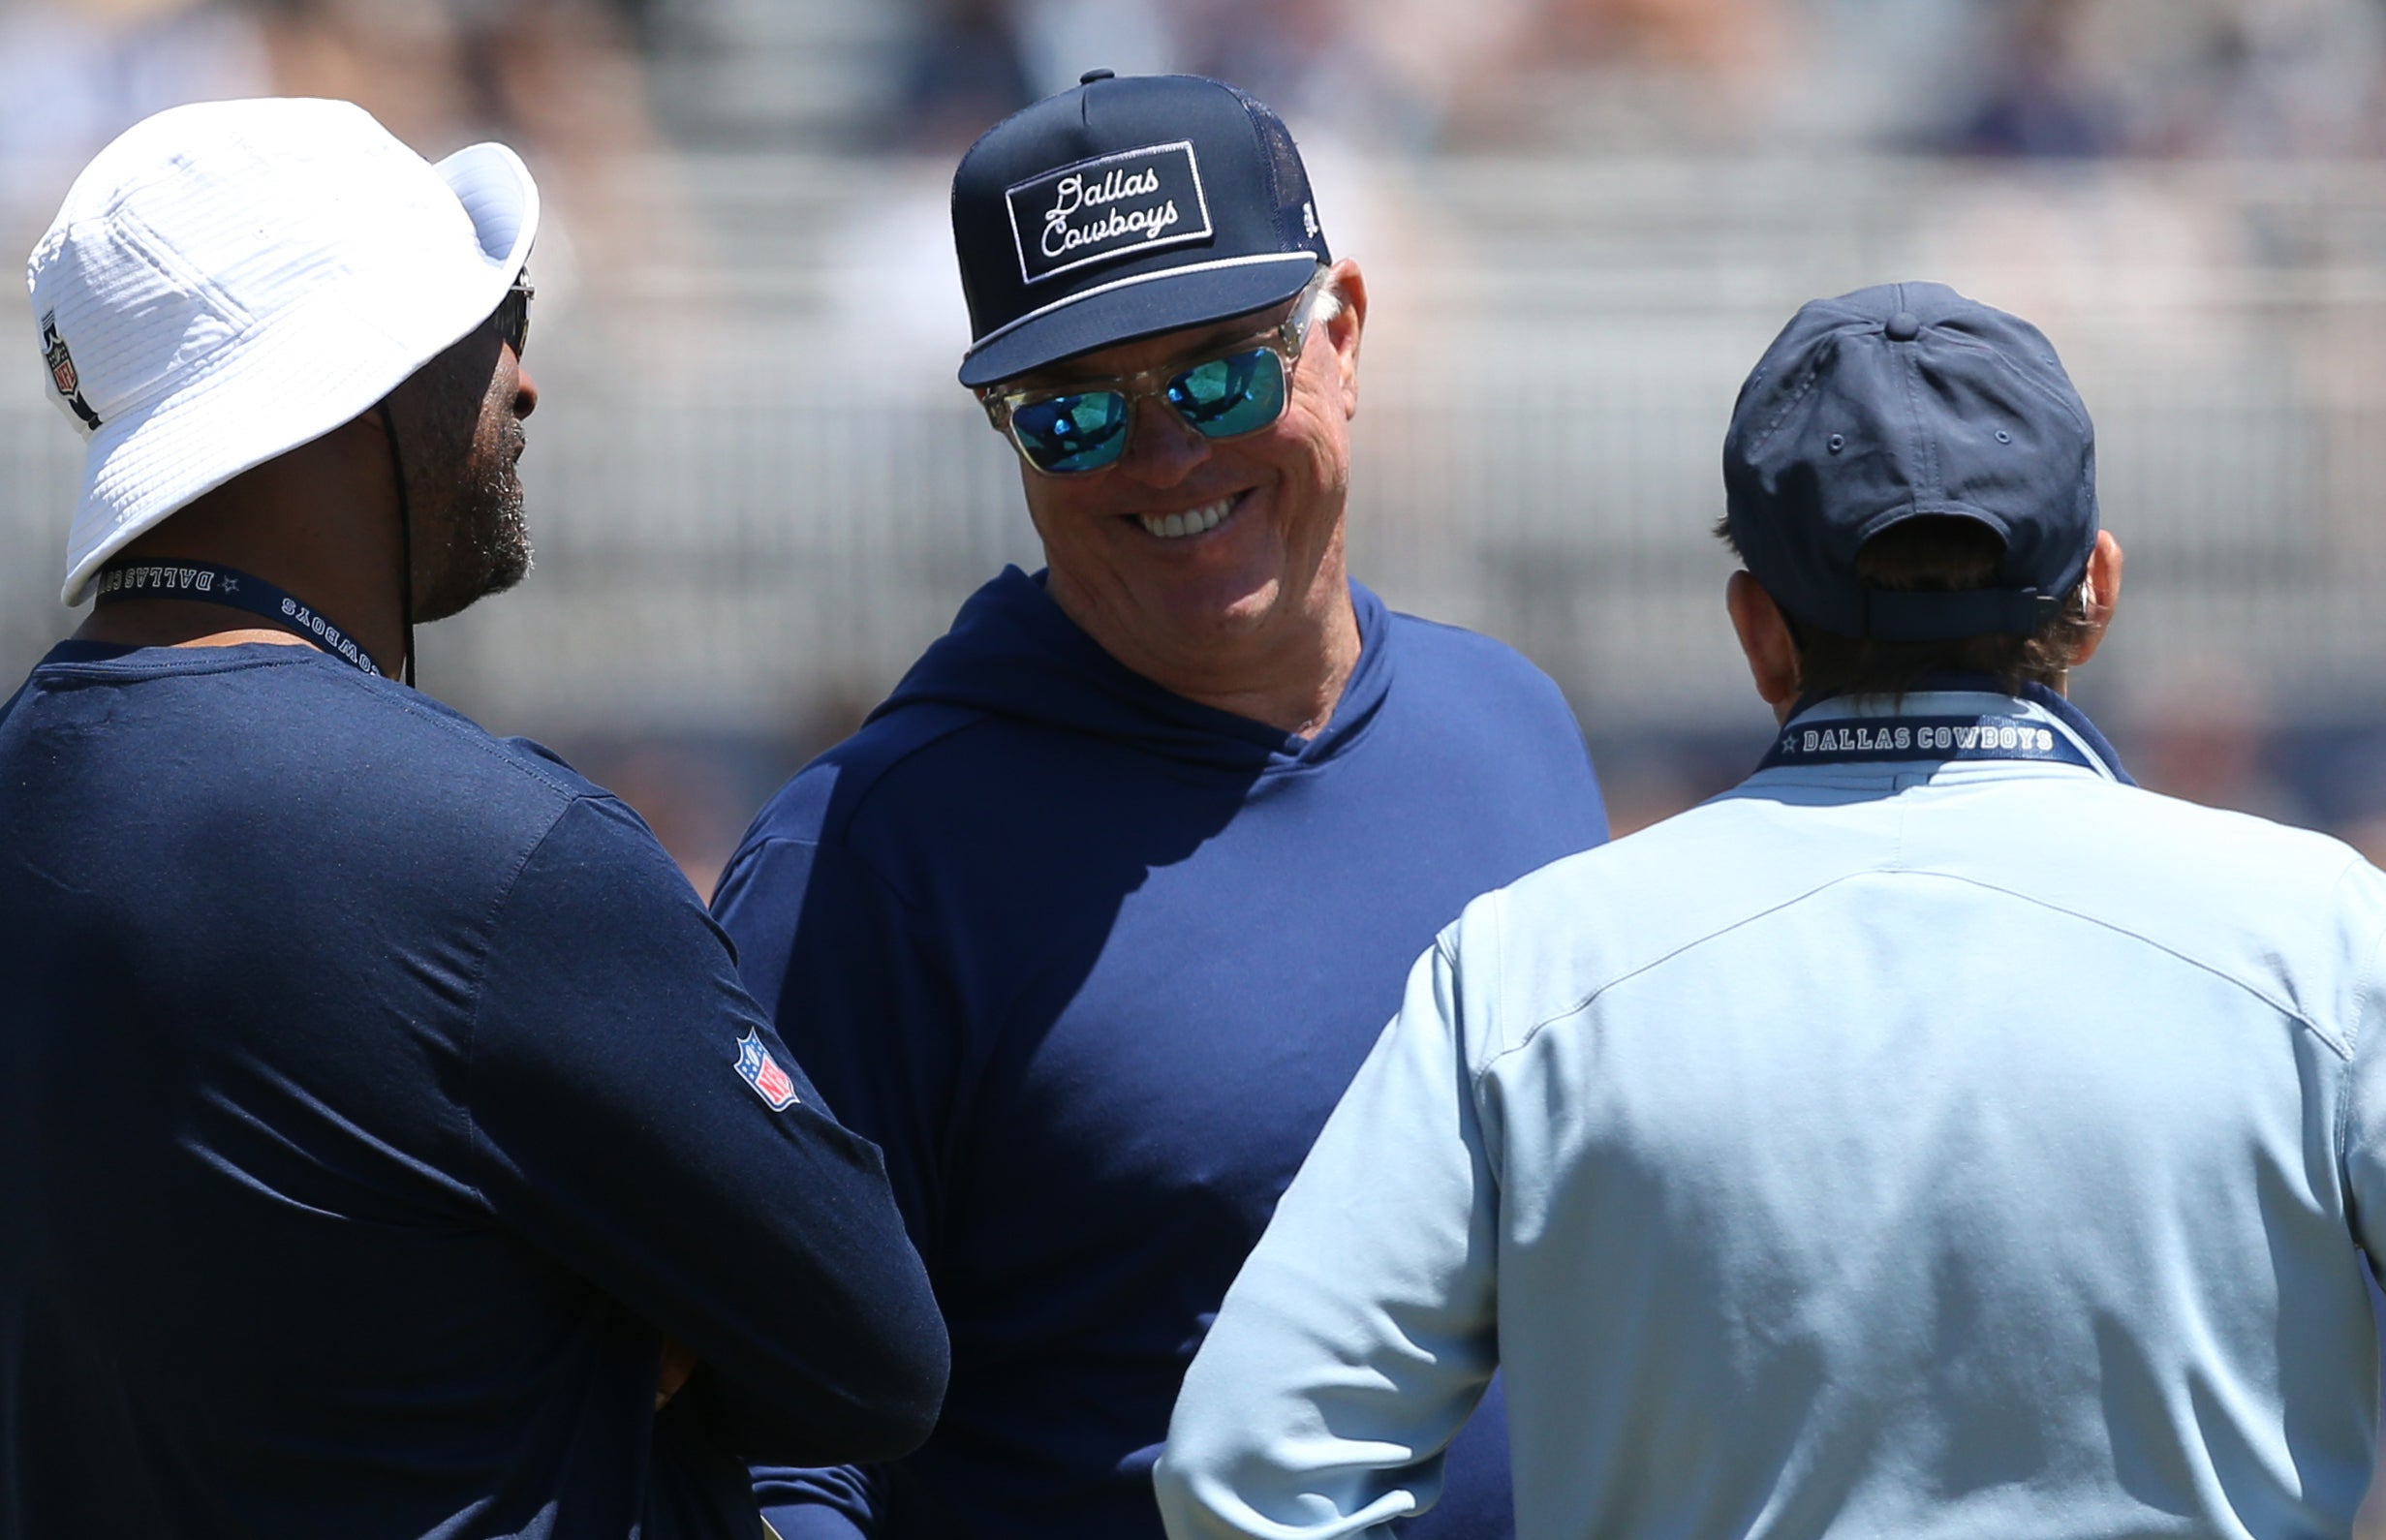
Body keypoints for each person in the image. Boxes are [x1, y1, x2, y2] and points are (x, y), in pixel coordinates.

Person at [1155, 280, 2386, 1538]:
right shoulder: (2327, 940)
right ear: (2098, 591)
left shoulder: (1526, 971)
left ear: (1757, 632)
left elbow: (1247, 1463)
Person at [0, 98, 946, 1540]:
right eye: (490, 322)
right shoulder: (505, 859)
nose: (523, 382)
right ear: (353, 378)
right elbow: (878, 1353)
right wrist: (623, 1316)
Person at [709, 71, 1608, 1540]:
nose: (1167, 454)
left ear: (1346, 337)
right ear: (1005, 434)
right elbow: (774, 1460)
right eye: (1072, 414)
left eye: (1220, 373)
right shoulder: (873, 859)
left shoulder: (1511, 723)